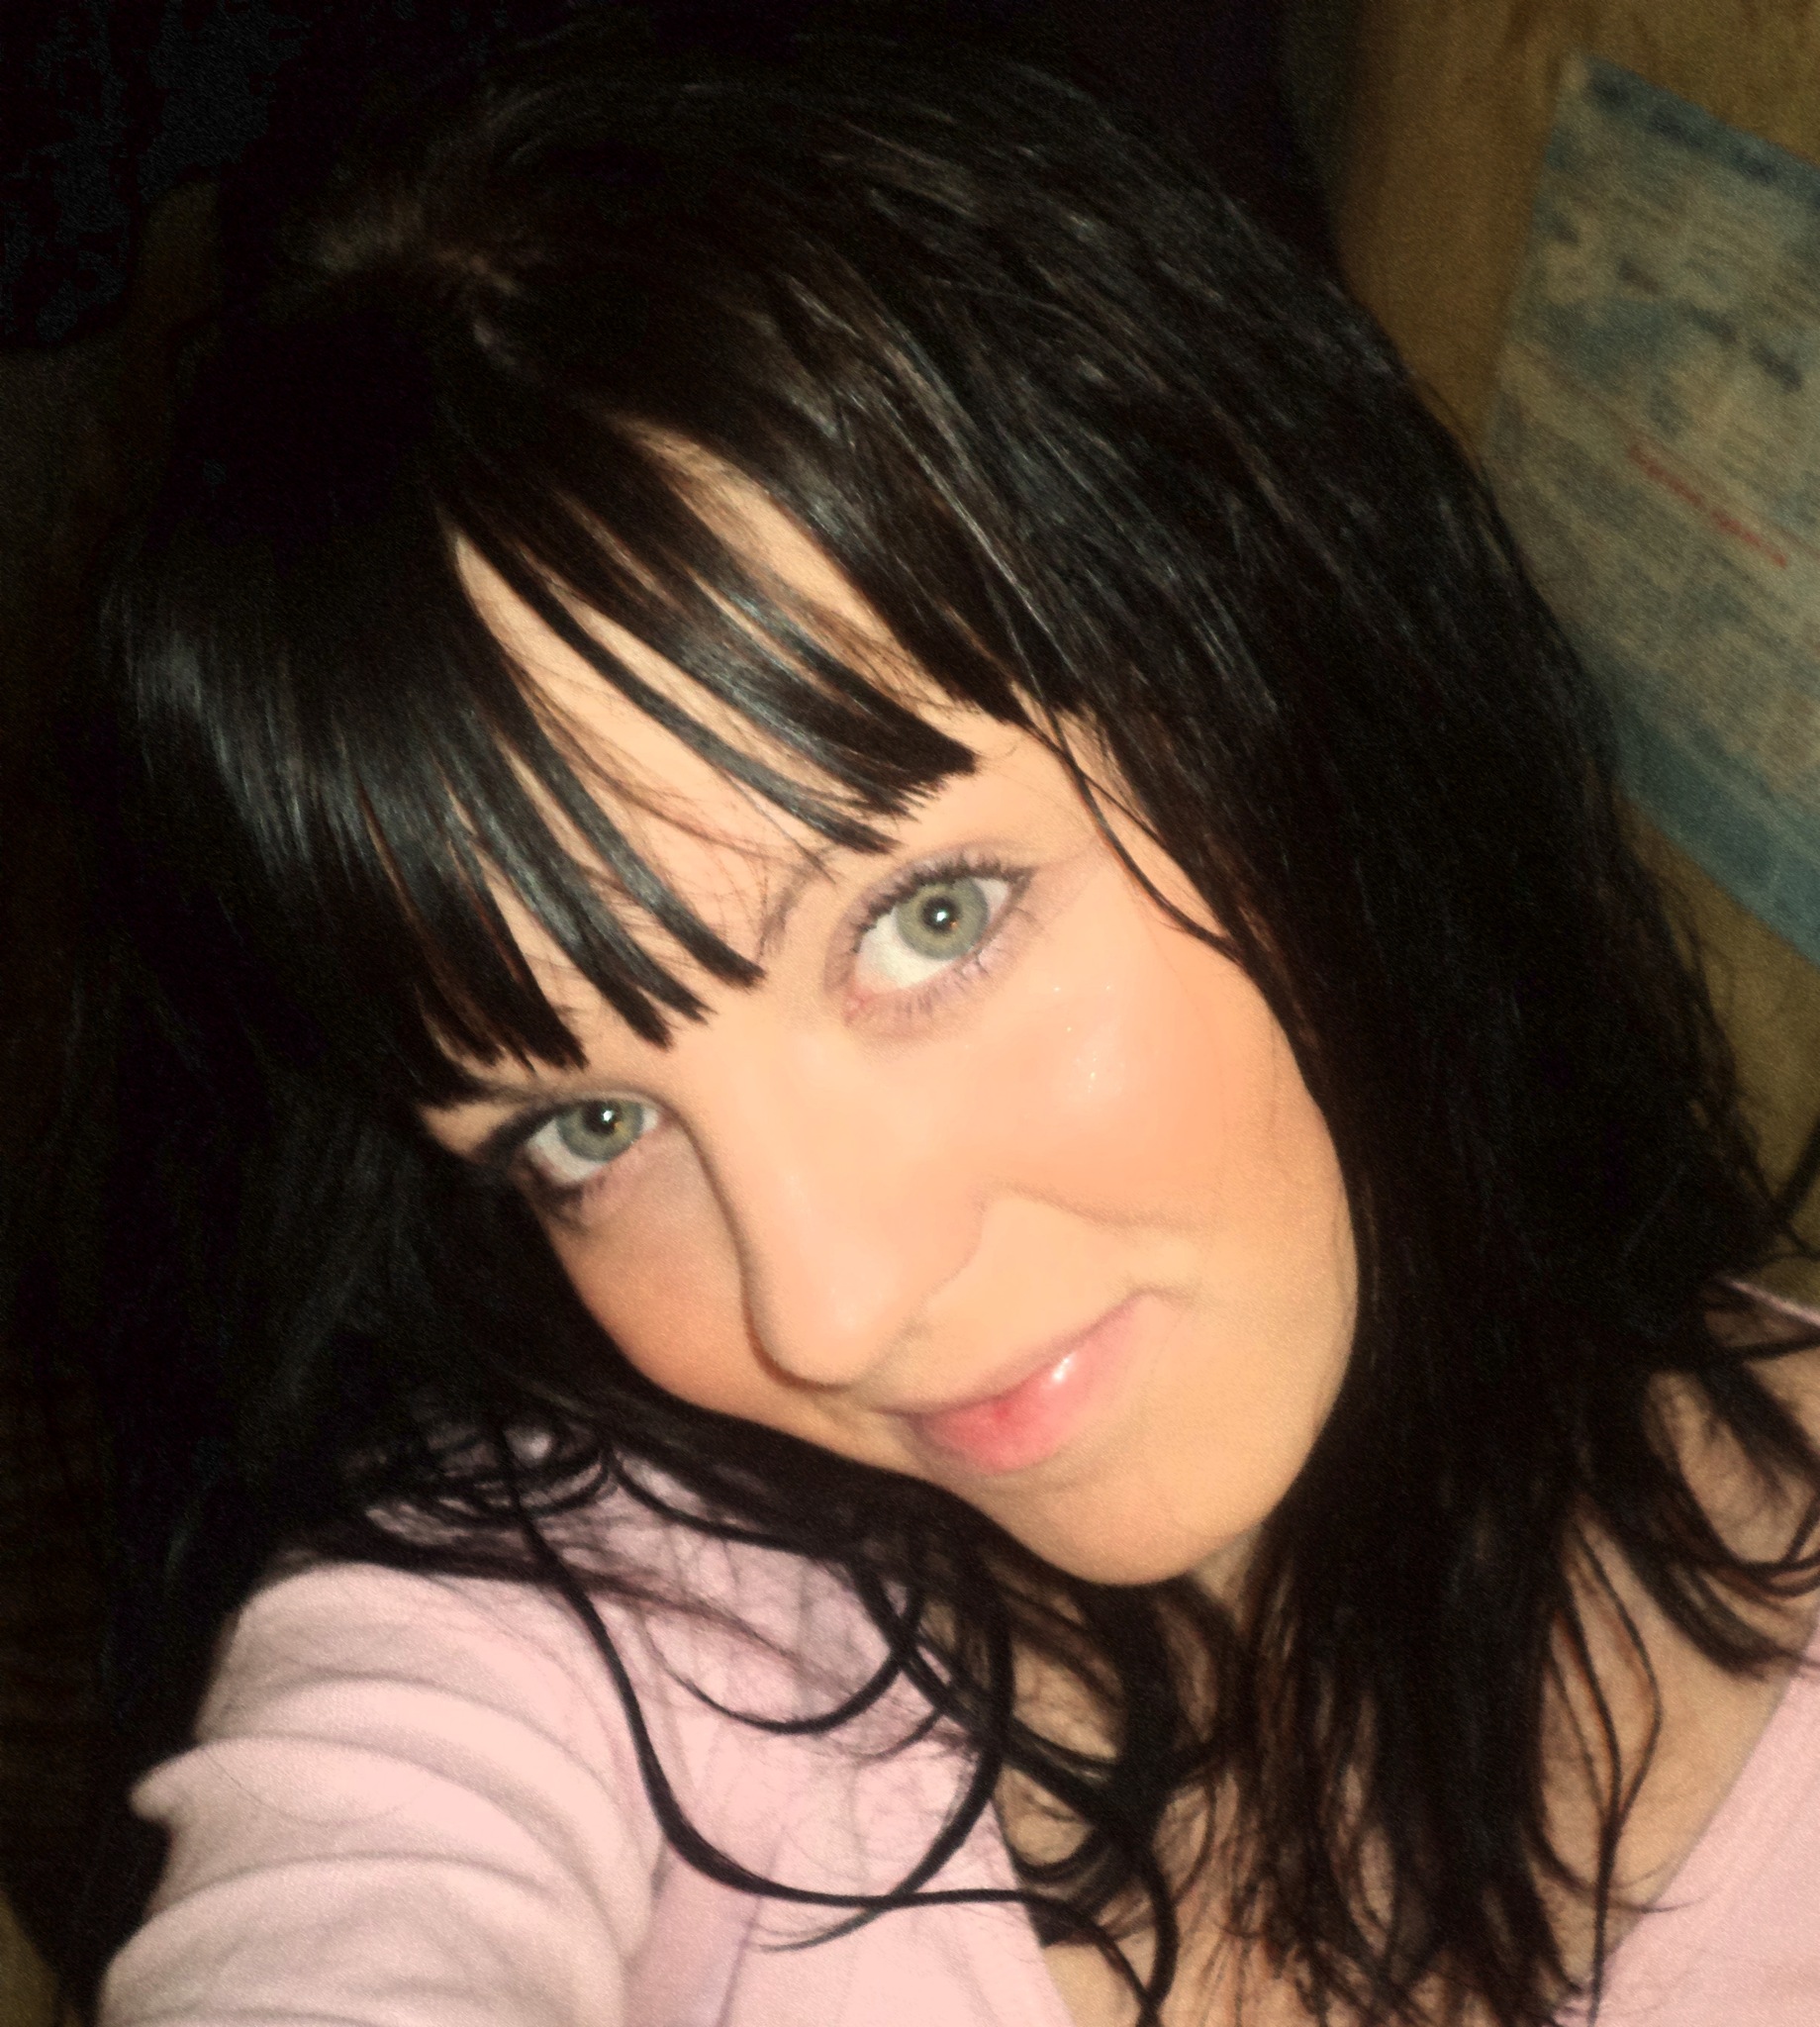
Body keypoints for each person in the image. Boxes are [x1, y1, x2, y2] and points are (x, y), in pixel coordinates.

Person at [16, 12, 1820, 2024]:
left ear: (1303, 707)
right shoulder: (563, 1629)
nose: (826, 1308)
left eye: (926, 918)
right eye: (585, 1127)